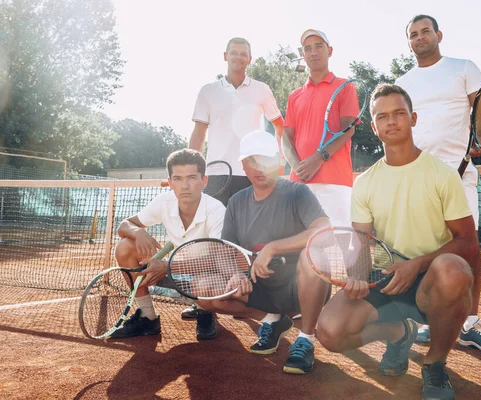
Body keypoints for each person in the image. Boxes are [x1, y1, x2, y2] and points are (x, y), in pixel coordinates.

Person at [316, 84, 477, 400]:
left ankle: (434, 364)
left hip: (431, 280)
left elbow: (467, 242)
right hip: (385, 281)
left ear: (413, 118)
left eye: (399, 113)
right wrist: (356, 278)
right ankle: (400, 333)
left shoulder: (442, 175)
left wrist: (416, 264)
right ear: (374, 127)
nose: (392, 121)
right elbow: (361, 245)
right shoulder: (365, 184)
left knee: (454, 270)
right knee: (330, 332)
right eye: (383, 117)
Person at [394, 14, 481, 353]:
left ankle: (470, 324)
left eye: (425, 31)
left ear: (438, 34)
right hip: (418, 178)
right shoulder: (403, 82)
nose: (419, 37)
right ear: (409, 42)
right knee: (421, 249)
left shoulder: (464, 67)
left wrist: (480, 142)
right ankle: (429, 321)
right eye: (413, 34)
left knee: (468, 246)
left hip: (459, 175)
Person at [194, 130, 331, 374]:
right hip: (259, 287)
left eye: (266, 160)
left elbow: (325, 231)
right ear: (243, 166)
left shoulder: (297, 192)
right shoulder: (236, 201)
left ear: (278, 161)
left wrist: (274, 247)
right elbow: (226, 250)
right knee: (203, 293)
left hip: (299, 288)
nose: (260, 168)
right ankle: (272, 319)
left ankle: (306, 339)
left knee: (316, 256)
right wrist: (235, 274)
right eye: (252, 161)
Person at [186, 37, 285, 327]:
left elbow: (279, 123)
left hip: (250, 174)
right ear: (225, 55)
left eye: (245, 54)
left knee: (245, 240)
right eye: (235, 53)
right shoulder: (207, 91)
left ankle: (255, 299)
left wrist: (277, 159)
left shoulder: (261, 90)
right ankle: (205, 306)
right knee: (209, 238)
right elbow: (198, 133)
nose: (239, 57)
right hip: (216, 174)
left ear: (250, 59)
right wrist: (189, 168)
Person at [110, 149, 225, 340]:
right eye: (178, 179)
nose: (185, 185)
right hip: (173, 271)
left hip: (206, 276)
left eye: (192, 178)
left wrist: (167, 266)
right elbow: (124, 225)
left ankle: (205, 312)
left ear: (204, 181)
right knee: (125, 246)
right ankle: (147, 317)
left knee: (204, 285)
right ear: (170, 182)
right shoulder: (164, 201)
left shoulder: (216, 210)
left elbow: (220, 259)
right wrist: (138, 231)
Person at [282, 29, 359, 227]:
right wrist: (298, 167)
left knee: (341, 243)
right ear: (303, 55)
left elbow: (348, 129)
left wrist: (318, 158)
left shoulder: (346, 86)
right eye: (308, 49)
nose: (313, 52)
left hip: (335, 182)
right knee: (303, 249)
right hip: (299, 184)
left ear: (330, 50)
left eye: (318, 46)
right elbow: (286, 138)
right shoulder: (294, 96)